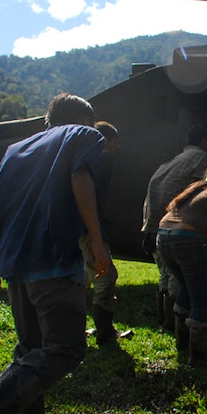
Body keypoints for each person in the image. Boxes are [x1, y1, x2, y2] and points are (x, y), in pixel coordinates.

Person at [0, 93, 111, 414]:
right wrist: (96, 239)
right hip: (53, 257)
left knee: (31, 347)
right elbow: (80, 176)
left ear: (47, 120)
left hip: (16, 266)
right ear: (84, 120)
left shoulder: (16, 149)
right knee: (65, 348)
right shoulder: (83, 135)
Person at [156, 161, 207, 363]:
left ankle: (181, 344)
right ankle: (197, 357)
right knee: (201, 296)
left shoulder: (197, 189)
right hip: (187, 240)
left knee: (187, 286)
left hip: (163, 237)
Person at [141, 122, 207, 330]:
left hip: (155, 224)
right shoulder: (200, 157)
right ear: (204, 141)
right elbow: (196, 190)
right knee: (178, 277)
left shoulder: (172, 161)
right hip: (177, 226)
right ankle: (175, 323)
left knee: (165, 274)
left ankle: (164, 318)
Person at [80, 120, 120, 346]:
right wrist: (94, 235)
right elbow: (91, 199)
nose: (117, 148)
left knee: (83, 278)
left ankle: (78, 327)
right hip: (87, 228)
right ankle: (105, 332)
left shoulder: (84, 158)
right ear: (106, 140)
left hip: (80, 228)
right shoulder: (103, 157)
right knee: (106, 275)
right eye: (115, 142)